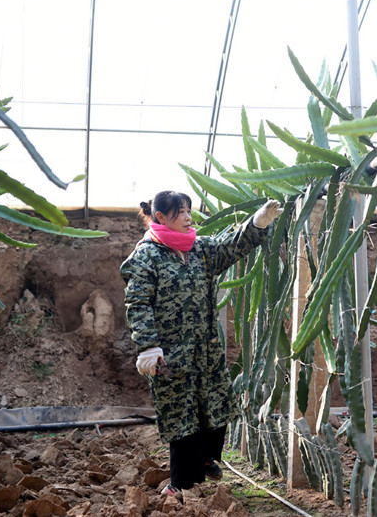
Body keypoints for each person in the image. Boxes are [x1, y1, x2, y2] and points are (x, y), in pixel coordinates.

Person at [120, 190, 282, 499]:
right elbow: (138, 303)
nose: (188, 216)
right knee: (181, 418)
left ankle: (206, 458)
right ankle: (182, 485)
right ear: (160, 217)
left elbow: (231, 247)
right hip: (170, 355)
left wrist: (257, 223)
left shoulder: (199, 249)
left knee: (217, 404)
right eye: (180, 212)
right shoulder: (146, 256)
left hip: (205, 350)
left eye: (188, 210)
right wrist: (147, 346)